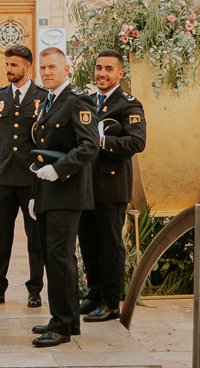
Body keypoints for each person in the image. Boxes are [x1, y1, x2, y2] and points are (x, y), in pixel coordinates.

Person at [26, 47, 99, 347]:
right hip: (47, 191)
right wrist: (35, 194)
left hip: (67, 193)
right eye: (42, 68)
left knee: (58, 258)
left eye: (52, 67)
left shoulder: (77, 100)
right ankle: (67, 319)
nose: (45, 72)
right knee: (57, 258)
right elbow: (40, 153)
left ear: (67, 68)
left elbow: (90, 145)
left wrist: (59, 170)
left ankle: (61, 327)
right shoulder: (48, 100)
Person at [77, 50, 146, 323]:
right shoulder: (87, 101)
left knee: (109, 245)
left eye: (108, 69)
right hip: (85, 186)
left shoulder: (128, 104)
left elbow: (137, 143)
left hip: (111, 185)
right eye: (98, 68)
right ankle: (94, 294)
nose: (101, 73)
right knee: (88, 244)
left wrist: (102, 142)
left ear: (120, 73)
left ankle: (110, 301)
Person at [0, 44, 49, 308]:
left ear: (27, 66)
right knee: (1, 237)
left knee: (36, 238)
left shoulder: (42, 97)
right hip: (4, 177)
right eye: (7, 65)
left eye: (14, 65)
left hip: (32, 178)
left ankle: (35, 289)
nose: (9, 69)